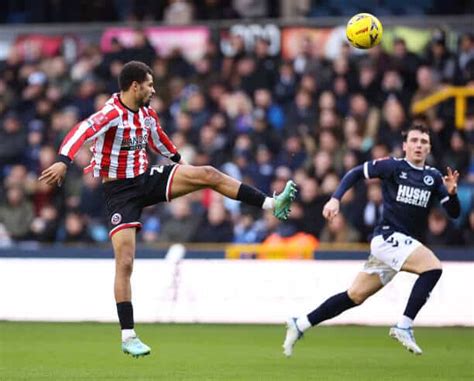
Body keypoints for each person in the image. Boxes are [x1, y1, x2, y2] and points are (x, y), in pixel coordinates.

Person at [39, 61, 297, 358]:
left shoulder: (146, 115)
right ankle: (128, 335)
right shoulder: (111, 113)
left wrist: (184, 168)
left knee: (209, 174)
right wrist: (62, 160)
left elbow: (159, 141)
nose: (153, 89)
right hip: (120, 193)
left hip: (146, 180)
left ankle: (271, 203)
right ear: (134, 86)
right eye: (149, 84)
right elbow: (80, 131)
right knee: (125, 262)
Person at [283, 124, 460, 357]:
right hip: (388, 238)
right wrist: (335, 199)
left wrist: (453, 193)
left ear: (428, 148)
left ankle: (300, 323)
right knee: (433, 267)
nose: (419, 145)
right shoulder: (393, 166)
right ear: (405, 146)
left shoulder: (434, 177)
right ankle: (404, 325)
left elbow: (454, 213)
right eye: (415, 140)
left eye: (424, 142)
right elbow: (355, 172)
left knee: (355, 295)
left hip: (400, 245)